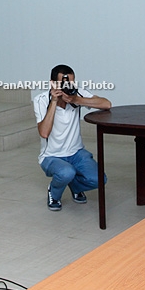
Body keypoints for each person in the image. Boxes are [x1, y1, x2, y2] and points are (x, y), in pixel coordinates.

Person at [34, 65, 111, 211]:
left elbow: (106, 104)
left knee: (100, 179)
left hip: (76, 153)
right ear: (53, 84)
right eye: (64, 84)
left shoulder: (77, 94)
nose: (68, 87)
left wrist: (77, 100)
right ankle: (54, 192)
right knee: (66, 172)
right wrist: (54, 102)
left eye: (71, 83)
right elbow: (44, 133)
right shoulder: (41, 100)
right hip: (51, 156)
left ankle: (75, 186)